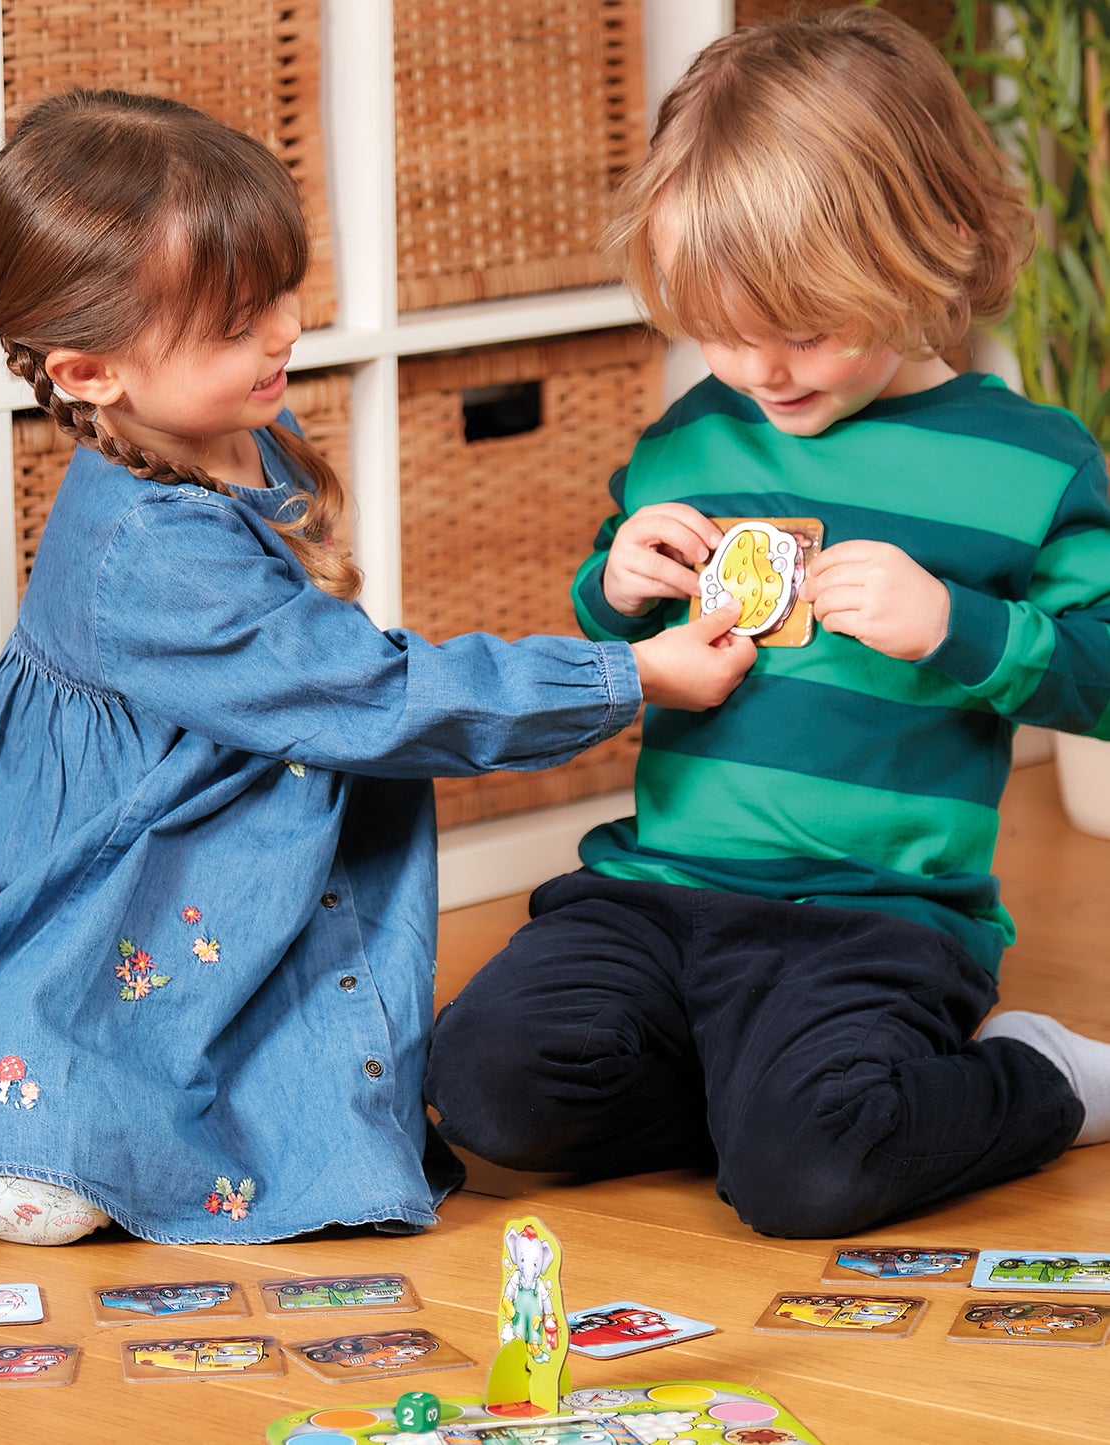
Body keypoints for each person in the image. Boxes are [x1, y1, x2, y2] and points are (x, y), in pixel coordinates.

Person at [0, 89, 753, 1245]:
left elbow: (337, 678)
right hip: (127, 864)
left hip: (228, 846)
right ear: (89, 375)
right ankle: (16, 1117)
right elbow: (374, 692)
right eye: (235, 322)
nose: (283, 329)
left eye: (279, 290)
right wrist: (627, 676)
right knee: (72, 1104)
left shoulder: (231, 431)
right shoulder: (149, 549)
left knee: (251, 1048)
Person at [426, 7, 1110, 1239]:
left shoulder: (1031, 463)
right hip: (658, 888)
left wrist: (961, 628)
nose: (760, 370)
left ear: (933, 245)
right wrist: (616, 586)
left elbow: (1099, 674)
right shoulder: (687, 434)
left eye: (800, 328)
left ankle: (1042, 1077)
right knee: (485, 1089)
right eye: (719, 330)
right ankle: (767, 1097)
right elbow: (614, 611)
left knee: (813, 1178)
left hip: (877, 916)